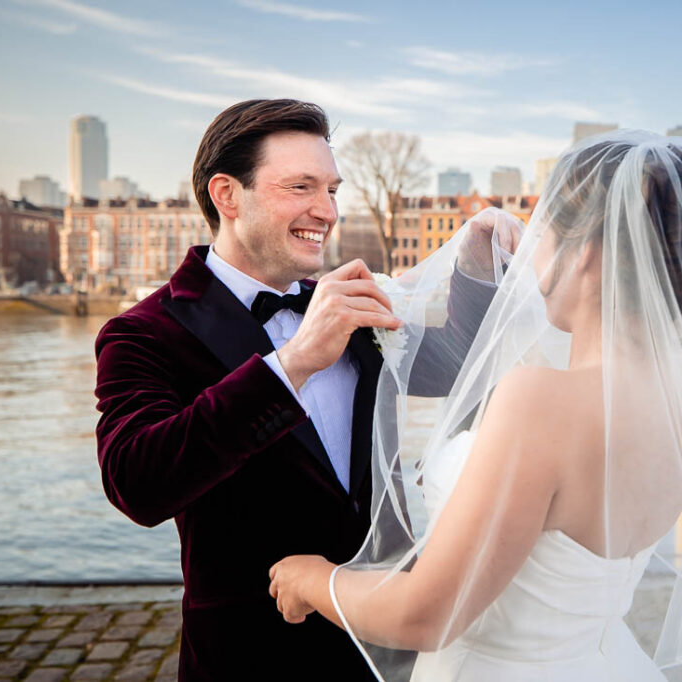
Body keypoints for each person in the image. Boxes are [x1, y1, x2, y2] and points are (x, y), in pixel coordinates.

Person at [269, 131, 682, 681]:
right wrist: (469, 278)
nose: (532, 251)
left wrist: (309, 578)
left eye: (547, 228)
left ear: (591, 253)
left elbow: (425, 614)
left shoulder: (540, 401)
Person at [94, 98, 516, 680]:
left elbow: (456, 366)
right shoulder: (145, 332)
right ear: (227, 196)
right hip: (251, 653)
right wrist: (291, 364)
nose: (326, 210)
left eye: (333, 190)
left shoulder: (347, 300)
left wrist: (474, 267)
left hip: (385, 637)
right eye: (301, 187)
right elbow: (136, 484)